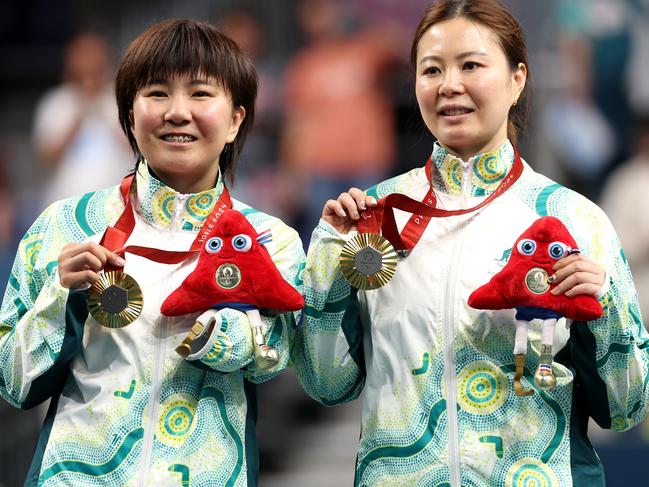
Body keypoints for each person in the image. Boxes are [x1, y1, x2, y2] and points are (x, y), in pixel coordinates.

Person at [292, 1, 648, 485]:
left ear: (517, 78)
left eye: (471, 65)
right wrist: (327, 263)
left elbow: (627, 409)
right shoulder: (372, 217)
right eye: (431, 69)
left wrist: (606, 310)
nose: (449, 84)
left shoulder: (575, 219)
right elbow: (325, 383)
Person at [0, 19, 304, 486]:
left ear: (235, 120)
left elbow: (275, 357)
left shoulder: (268, 239)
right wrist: (59, 298)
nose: (177, 112)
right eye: (157, 93)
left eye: (201, 94)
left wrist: (215, 330)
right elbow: (14, 382)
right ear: (129, 114)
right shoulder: (62, 226)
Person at [32, 32, 132, 207]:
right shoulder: (57, 101)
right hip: (65, 203)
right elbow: (46, 158)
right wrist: (77, 119)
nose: (89, 60)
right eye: (83, 53)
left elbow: (138, 148)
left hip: (116, 205)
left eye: (94, 53)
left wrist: (102, 107)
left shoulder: (122, 99)